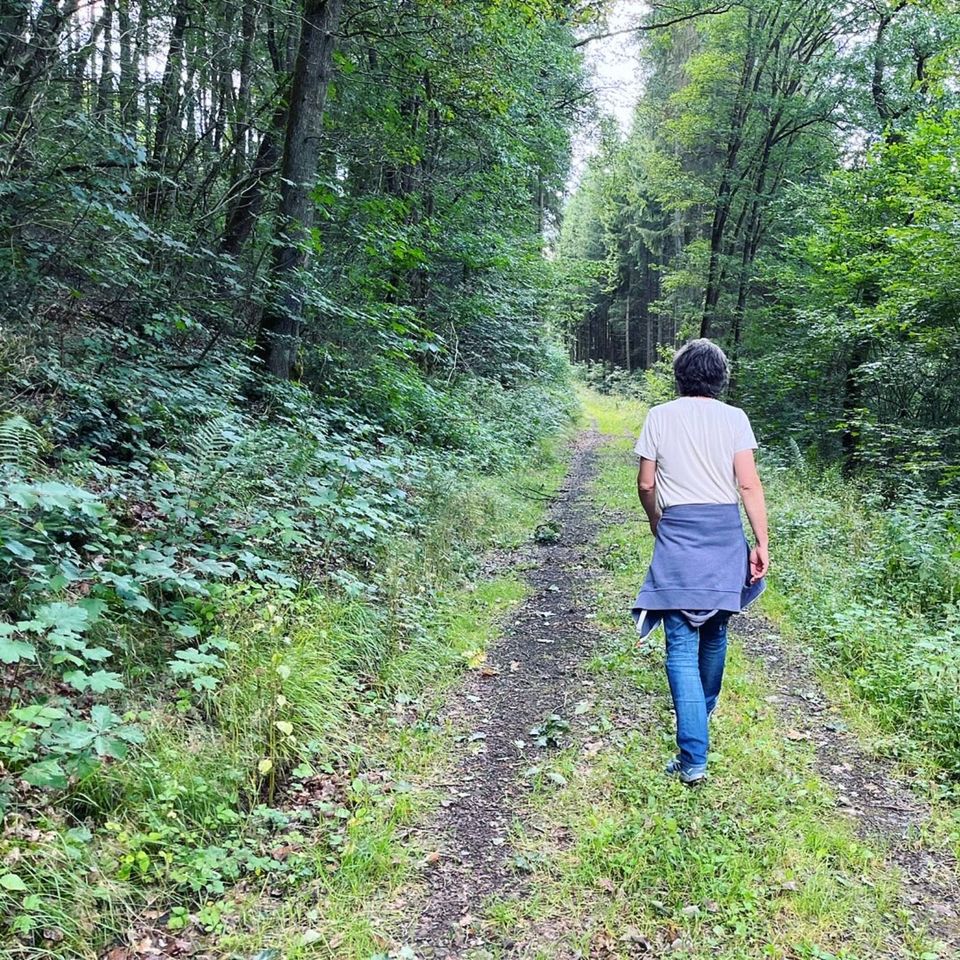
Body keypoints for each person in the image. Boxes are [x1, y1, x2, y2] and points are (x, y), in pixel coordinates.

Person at [631, 338, 769, 786]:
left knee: (680, 645)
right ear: (720, 377)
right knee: (715, 629)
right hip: (724, 534)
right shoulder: (735, 419)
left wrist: (657, 521)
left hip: (679, 534)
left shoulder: (659, 416)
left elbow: (647, 483)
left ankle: (693, 754)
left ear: (680, 374)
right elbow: (748, 486)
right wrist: (760, 541)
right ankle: (700, 721)